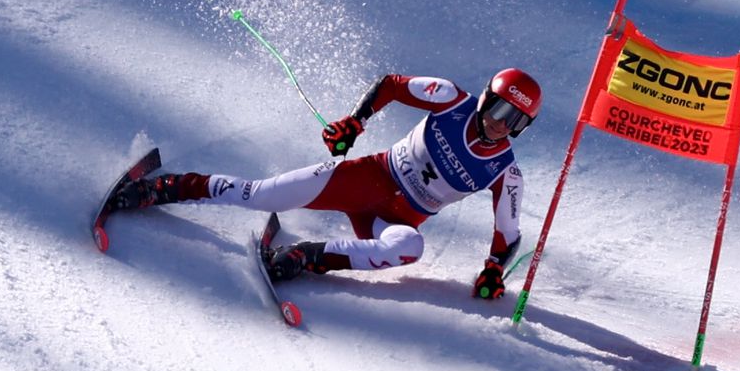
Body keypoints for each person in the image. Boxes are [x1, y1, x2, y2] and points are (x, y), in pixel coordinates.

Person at [102, 69, 544, 292]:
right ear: (486, 98)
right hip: (365, 179)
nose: (503, 125)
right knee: (261, 195)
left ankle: (302, 257)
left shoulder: (505, 170)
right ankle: (166, 188)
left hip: (387, 220)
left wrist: (494, 270)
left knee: (410, 247)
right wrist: (354, 123)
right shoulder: (451, 99)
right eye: (501, 110)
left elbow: (508, 236)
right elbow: (391, 85)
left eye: (517, 120)